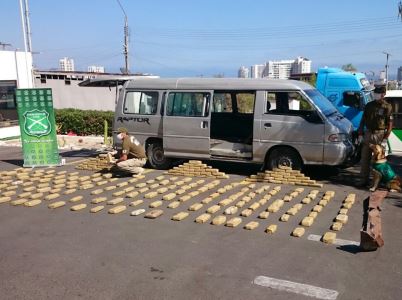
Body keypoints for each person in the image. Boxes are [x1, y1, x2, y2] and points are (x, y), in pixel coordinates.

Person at [357, 85, 393, 187]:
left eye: (378, 93)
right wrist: (360, 133)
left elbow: (390, 124)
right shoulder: (369, 105)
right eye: (375, 93)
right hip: (369, 133)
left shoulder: (387, 107)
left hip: (380, 134)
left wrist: (386, 138)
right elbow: (363, 120)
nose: (375, 95)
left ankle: (379, 181)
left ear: (383, 94)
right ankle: (363, 180)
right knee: (365, 157)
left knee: (380, 160)